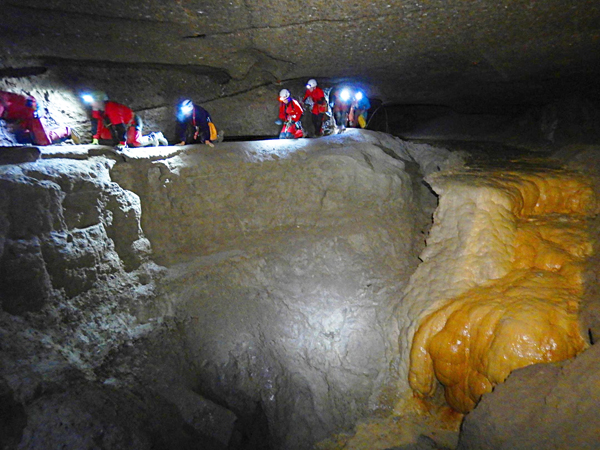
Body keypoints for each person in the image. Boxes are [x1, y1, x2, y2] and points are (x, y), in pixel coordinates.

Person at [82, 92, 167, 150]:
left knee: (136, 142)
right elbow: (97, 124)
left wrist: (122, 143)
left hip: (133, 121)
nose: (91, 104)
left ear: (100, 101)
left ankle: (155, 136)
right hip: (121, 124)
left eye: (93, 101)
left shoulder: (112, 108)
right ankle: (126, 141)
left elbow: (120, 126)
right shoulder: (97, 109)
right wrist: (95, 139)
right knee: (104, 135)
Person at [0, 90, 79, 145]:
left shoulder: (2, 98)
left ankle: (67, 131)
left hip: (33, 112)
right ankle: (41, 134)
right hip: (21, 118)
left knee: (43, 140)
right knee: (21, 139)